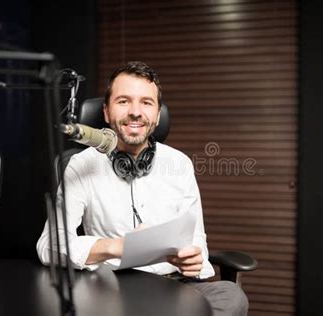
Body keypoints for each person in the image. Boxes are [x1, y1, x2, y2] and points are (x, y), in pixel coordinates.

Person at [36, 61, 248, 315]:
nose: (135, 112)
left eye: (146, 102)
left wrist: (193, 259)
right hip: (114, 289)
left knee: (231, 296)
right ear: (106, 111)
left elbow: (196, 240)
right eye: (123, 101)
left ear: (157, 115)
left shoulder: (179, 164)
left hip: (175, 286)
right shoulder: (81, 165)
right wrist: (114, 247)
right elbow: (49, 245)